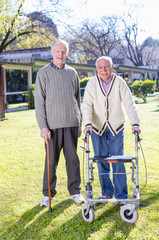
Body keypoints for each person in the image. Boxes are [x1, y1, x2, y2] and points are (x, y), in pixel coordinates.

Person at [82, 56, 141, 205]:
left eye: (106, 67)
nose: (103, 70)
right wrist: (87, 123)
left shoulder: (119, 82)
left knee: (117, 160)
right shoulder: (92, 83)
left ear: (112, 67)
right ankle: (107, 192)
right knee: (101, 160)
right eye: (100, 67)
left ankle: (121, 195)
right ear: (96, 69)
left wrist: (135, 123)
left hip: (116, 126)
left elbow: (129, 103)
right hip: (97, 127)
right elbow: (87, 105)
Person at [35, 39, 85, 207]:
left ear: (67, 53)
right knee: (51, 161)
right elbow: (39, 103)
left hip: (71, 123)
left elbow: (78, 99)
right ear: (52, 52)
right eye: (58, 51)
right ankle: (48, 194)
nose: (61, 54)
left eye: (63, 51)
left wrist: (79, 123)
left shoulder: (72, 73)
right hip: (52, 127)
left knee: (73, 160)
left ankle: (75, 192)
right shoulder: (43, 73)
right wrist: (43, 126)